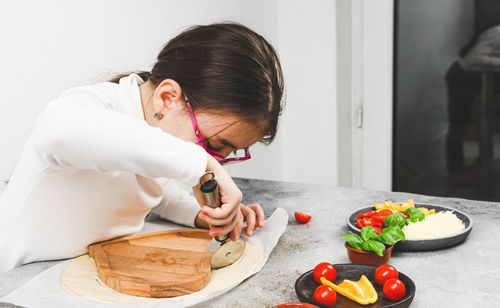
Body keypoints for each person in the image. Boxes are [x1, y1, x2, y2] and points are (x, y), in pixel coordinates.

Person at [0, 22, 284, 272]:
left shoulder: (156, 133)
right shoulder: (96, 106)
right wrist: (202, 164)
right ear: (168, 98)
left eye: (228, 153)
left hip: (83, 275)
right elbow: (56, 132)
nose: (217, 162)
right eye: (213, 144)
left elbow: (151, 195)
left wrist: (204, 214)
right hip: (17, 281)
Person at [445, 0, 500, 184]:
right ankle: (455, 171)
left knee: (471, 122)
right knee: (459, 123)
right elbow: (474, 59)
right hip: (461, 77)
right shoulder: (497, 31)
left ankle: (473, 167)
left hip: (471, 79)